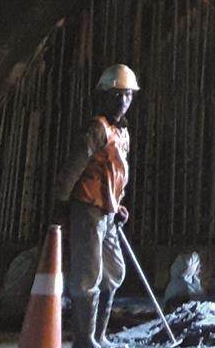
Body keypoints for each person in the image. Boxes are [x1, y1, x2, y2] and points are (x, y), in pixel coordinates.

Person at [52, 64, 139, 348]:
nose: (123, 101)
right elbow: (72, 168)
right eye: (117, 95)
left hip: (108, 212)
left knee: (114, 271)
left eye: (127, 95)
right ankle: (85, 339)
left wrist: (119, 204)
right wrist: (61, 203)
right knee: (88, 276)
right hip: (88, 209)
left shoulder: (122, 133)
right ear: (104, 96)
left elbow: (116, 174)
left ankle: (99, 334)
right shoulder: (97, 129)